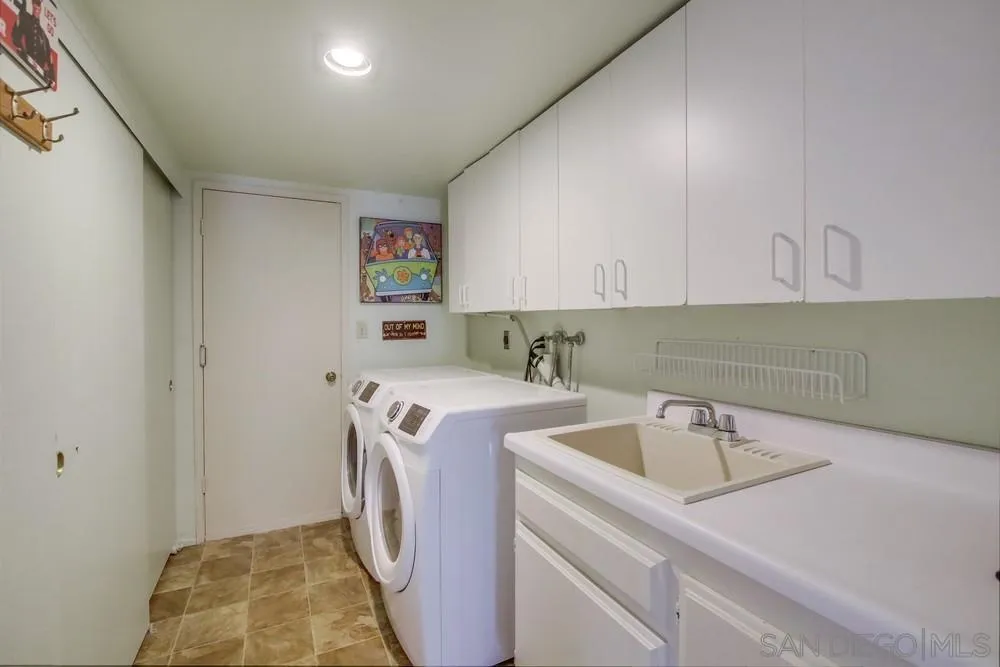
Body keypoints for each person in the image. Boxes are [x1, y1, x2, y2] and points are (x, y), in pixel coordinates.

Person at [11, 0, 53, 85]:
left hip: (37, 74)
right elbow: (16, 35)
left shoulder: (43, 35)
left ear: (40, 9)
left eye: (38, 6)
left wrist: (46, 66)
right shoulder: (24, 18)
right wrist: (23, 53)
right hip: (21, 63)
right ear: (32, 5)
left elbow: (48, 59)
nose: (36, 8)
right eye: (35, 6)